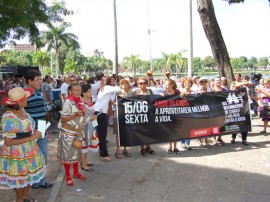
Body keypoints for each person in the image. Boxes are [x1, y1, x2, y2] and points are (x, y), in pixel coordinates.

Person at [0, 87, 46, 202]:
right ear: (19, 102)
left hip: (29, 149)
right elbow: (8, 142)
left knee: (29, 175)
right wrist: (32, 137)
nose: (27, 100)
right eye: (26, 98)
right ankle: (19, 199)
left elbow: (28, 128)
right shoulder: (8, 118)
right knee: (21, 179)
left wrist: (34, 132)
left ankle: (26, 195)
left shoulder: (23, 110)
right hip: (18, 153)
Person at [24, 70, 53, 189]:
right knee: (31, 158)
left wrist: (44, 130)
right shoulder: (24, 94)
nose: (40, 81)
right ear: (29, 81)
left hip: (40, 129)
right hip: (31, 133)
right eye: (37, 79)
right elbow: (21, 114)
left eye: (40, 79)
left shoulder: (37, 93)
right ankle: (27, 183)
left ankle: (38, 181)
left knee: (42, 157)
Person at [57, 83, 87, 186]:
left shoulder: (80, 101)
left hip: (77, 132)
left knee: (76, 153)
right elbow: (63, 118)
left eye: (79, 90)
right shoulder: (68, 102)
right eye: (76, 90)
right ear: (70, 91)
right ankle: (68, 176)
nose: (78, 92)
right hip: (68, 132)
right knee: (67, 155)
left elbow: (83, 116)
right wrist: (75, 114)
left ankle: (76, 173)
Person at [94, 77, 121, 162]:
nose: (113, 82)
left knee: (101, 134)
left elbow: (110, 100)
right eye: (111, 81)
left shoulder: (105, 89)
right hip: (101, 113)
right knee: (102, 134)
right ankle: (103, 154)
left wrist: (115, 103)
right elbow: (119, 89)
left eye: (114, 80)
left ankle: (102, 151)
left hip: (99, 112)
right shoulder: (107, 88)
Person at [133, 77, 155, 156]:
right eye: (140, 83)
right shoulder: (136, 92)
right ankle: (142, 148)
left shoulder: (150, 91)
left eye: (144, 83)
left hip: (149, 114)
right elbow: (132, 103)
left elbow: (154, 101)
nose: (142, 85)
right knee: (142, 131)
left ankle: (148, 147)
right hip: (140, 115)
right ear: (138, 84)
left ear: (147, 84)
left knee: (149, 131)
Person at [160, 79, 181, 154]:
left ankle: (175, 147)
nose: (166, 86)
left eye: (167, 85)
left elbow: (183, 98)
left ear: (172, 85)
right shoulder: (164, 93)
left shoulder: (177, 92)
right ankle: (170, 147)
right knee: (169, 131)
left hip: (176, 114)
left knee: (175, 131)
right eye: (165, 85)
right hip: (167, 115)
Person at [114, 78, 132, 159]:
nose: (124, 85)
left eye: (125, 83)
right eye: (122, 83)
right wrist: (117, 102)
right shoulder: (117, 93)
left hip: (128, 115)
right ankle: (118, 150)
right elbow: (112, 101)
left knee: (127, 132)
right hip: (118, 114)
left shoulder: (132, 93)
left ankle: (125, 149)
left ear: (129, 85)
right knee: (118, 134)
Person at [80, 83, 97, 171]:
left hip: (90, 125)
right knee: (84, 144)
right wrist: (90, 118)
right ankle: (83, 164)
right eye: (89, 91)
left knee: (87, 143)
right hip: (84, 127)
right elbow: (80, 117)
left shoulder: (89, 100)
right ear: (83, 93)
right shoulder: (81, 102)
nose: (91, 92)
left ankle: (84, 161)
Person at [230, 73, 249, 145]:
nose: (236, 77)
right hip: (235, 104)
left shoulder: (244, 83)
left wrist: (244, 83)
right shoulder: (233, 83)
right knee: (235, 121)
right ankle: (233, 138)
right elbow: (231, 89)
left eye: (238, 76)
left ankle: (244, 139)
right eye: (235, 76)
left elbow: (247, 88)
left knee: (245, 121)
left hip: (244, 104)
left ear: (240, 77)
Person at [180, 77, 194, 150]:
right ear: (183, 84)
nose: (187, 84)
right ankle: (182, 143)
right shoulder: (180, 92)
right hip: (182, 112)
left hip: (191, 112)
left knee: (189, 128)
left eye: (189, 83)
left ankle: (187, 143)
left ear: (191, 84)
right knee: (182, 128)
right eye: (185, 83)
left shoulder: (194, 92)